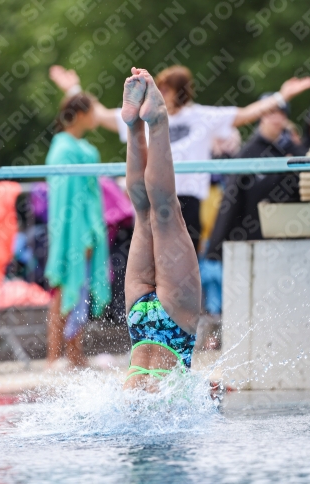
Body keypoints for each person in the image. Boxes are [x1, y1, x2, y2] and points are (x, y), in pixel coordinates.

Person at [50, 65, 310, 253]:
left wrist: (281, 97)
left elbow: (245, 114)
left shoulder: (201, 117)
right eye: (160, 86)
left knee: (185, 267)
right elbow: (101, 114)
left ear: (179, 91)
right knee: (151, 262)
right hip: (155, 200)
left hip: (187, 201)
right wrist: (73, 89)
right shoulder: (146, 114)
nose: (161, 91)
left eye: (167, 87)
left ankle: (183, 326)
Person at [119, 67, 201, 390]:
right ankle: (134, 125)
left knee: (164, 213)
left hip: (174, 326)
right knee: (146, 213)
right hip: (138, 321)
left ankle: (156, 122)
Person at [45, 92, 111, 368]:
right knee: (65, 286)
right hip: (70, 231)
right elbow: (65, 200)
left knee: (81, 287)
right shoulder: (62, 148)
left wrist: (93, 230)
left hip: (88, 228)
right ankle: (53, 356)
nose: (97, 115)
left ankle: (74, 353)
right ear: (81, 114)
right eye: (93, 110)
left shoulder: (86, 150)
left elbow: (91, 196)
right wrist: (78, 234)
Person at [207, 96, 307, 260]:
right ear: (261, 116)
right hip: (254, 243)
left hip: (295, 242)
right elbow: (231, 200)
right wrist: (216, 247)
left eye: (281, 113)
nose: (276, 118)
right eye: (270, 113)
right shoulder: (248, 154)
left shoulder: (298, 152)